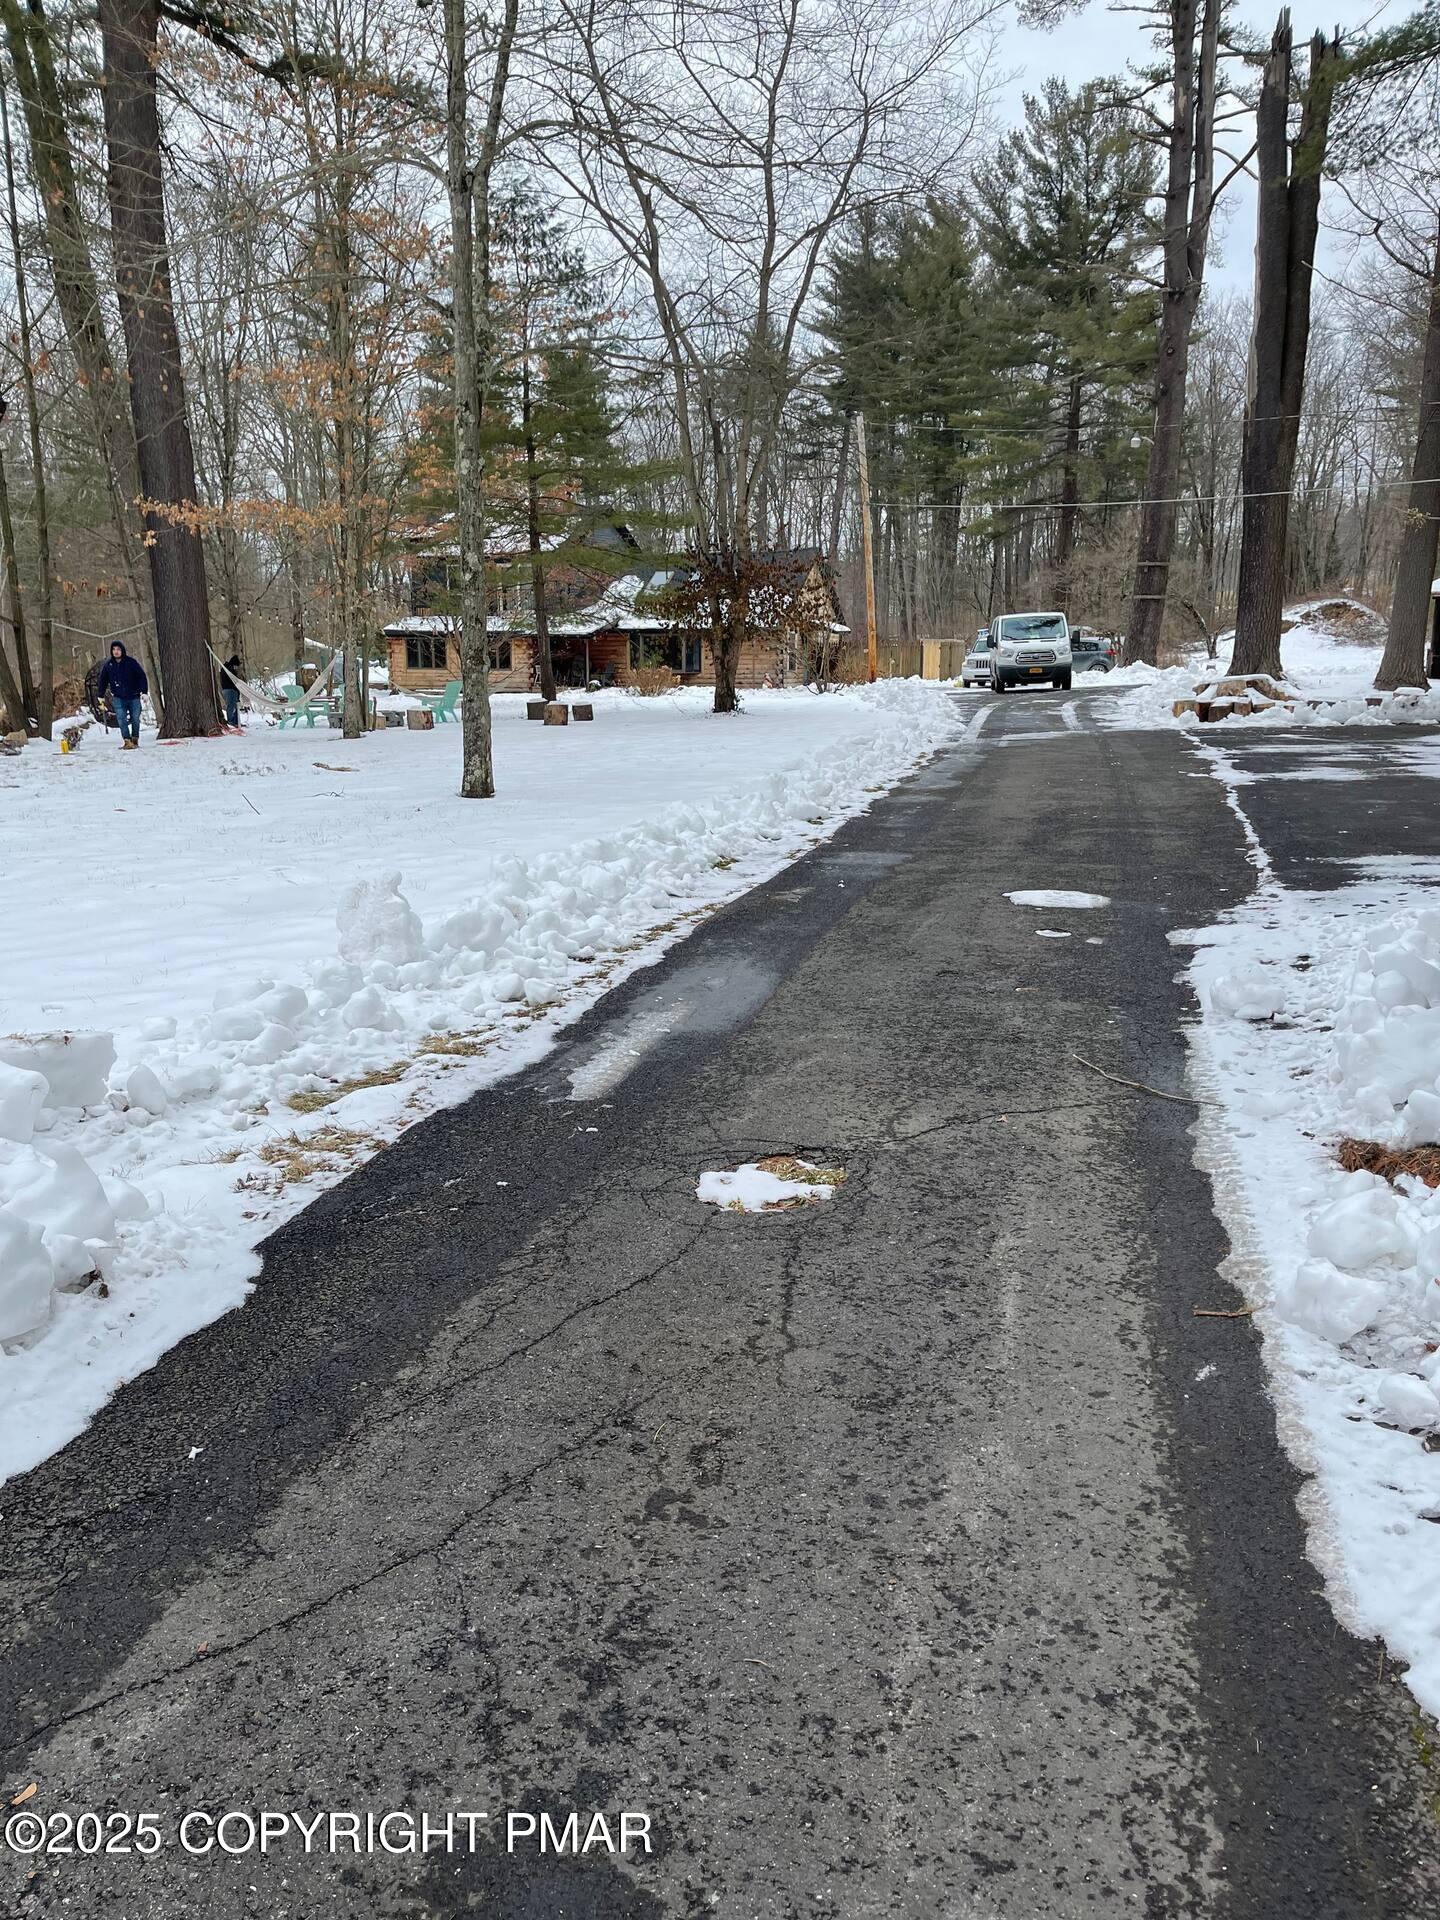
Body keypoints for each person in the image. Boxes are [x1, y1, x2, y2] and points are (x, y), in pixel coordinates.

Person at [96, 641, 148, 750]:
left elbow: (141, 676)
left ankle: (135, 738)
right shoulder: (108, 665)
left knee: (135, 718)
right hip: (118, 697)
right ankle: (127, 740)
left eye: (118, 649)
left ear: (122, 650)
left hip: (134, 696)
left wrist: (144, 691)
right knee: (121, 719)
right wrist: (100, 695)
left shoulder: (131, 663)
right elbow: (103, 680)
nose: (116, 651)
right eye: (114, 649)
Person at [219, 653, 243, 730]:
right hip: (229, 690)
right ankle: (230, 721)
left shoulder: (227, 668)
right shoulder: (228, 669)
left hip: (230, 690)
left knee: (234, 706)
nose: (236, 668)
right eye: (236, 666)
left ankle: (236, 721)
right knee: (231, 705)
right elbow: (233, 681)